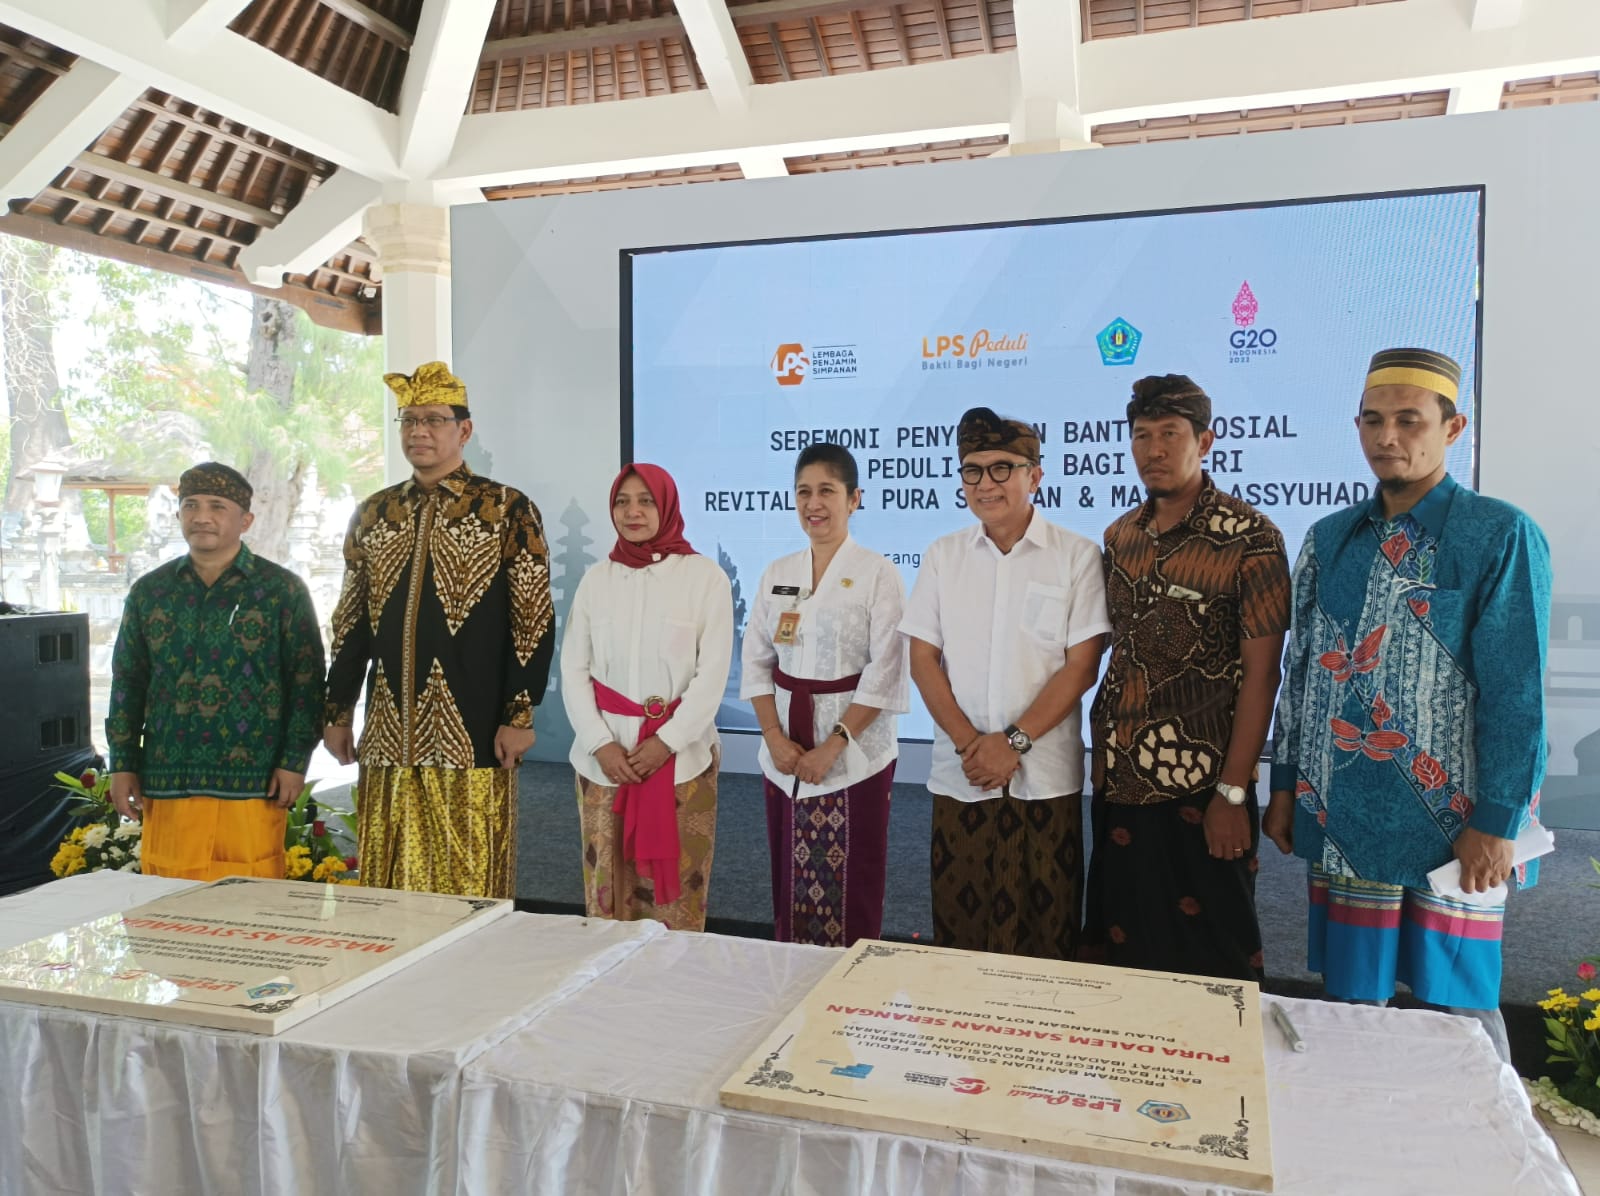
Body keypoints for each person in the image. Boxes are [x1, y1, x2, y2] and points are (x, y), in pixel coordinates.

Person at [1266, 347, 1550, 1061]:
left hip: (1454, 829)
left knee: (1457, 1014)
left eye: (1408, 420)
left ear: (1454, 430)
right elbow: (1301, 674)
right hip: (1344, 814)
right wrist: (1283, 786)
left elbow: (1518, 690)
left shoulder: (1498, 535)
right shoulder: (1330, 540)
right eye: (1372, 420)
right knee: (1349, 1011)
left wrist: (1497, 819)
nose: (1387, 437)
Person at [1081, 375, 1290, 981]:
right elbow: (1121, 657)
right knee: (1122, 951)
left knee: (1213, 954)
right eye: (1141, 435)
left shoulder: (1252, 539)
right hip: (1122, 781)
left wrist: (1231, 793)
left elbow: (1262, 677)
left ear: (1205, 440)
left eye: (1170, 434)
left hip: (1204, 788)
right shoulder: (1120, 537)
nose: (1154, 449)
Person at [323, 362, 554, 899]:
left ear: (464, 430)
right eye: (408, 420)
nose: (418, 432)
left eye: (433, 420)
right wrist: (337, 711)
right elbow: (351, 621)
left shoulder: (505, 508)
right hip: (388, 729)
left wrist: (519, 715)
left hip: (470, 728)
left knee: (468, 875)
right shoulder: (374, 513)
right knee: (387, 878)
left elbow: (532, 619)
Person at [901, 407, 1110, 960]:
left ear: (1034, 475)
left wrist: (1011, 743)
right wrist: (975, 746)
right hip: (963, 775)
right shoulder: (945, 556)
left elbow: (1081, 666)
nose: (986, 483)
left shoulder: (1078, 556)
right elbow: (923, 658)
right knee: (960, 935)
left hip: (1043, 778)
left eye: (1002, 468)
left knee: (1047, 936)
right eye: (973, 470)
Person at [107, 462, 324, 880]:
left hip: (254, 782)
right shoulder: (150, 592)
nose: (201, 516)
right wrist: (122, 763)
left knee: (248, 904)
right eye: (190, 505)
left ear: (245, 520)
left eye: (217, 507)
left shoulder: (281, 591)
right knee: (167, 904)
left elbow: (307, 683)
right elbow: (128, 681)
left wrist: (295, 761)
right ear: (178, 515)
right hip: (169, 777)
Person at [742, 444, 909, 946]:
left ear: (855, 498)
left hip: (855, 752)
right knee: (788, 879)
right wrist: (772, 736)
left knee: (852, 879)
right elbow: (755, 659)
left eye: (827, 492)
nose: (814, 504)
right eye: (804, 492)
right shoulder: (778, 572)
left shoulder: (879, 572)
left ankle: (850, 998)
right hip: (785, 750)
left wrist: (833, 745)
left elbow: (886, 670)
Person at [560, 463, 732, 930]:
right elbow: (574, 668)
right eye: (622, 501)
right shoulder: (598, 579)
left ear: (667, 506)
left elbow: (712, 672)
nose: (632, 512)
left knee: (676, 893)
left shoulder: (704, 578)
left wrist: (666, 742)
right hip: (605, 764)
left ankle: (672, 994)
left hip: (680, 763)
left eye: (645, 501)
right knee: (608, 892)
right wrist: (600, 742)